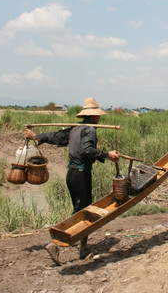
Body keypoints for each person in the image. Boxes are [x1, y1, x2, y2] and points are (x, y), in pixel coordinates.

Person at [24, 97, 120, 265]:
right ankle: (56, 244)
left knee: (79, 210)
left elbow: (56, 137)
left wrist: (36, 136)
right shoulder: (89, 130)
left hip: (71, 174)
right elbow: (87, 151)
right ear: (96, 116)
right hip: (82, 173)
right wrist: (107, 154)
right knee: (82, 212)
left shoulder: (75, 129)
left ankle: (82, 247)